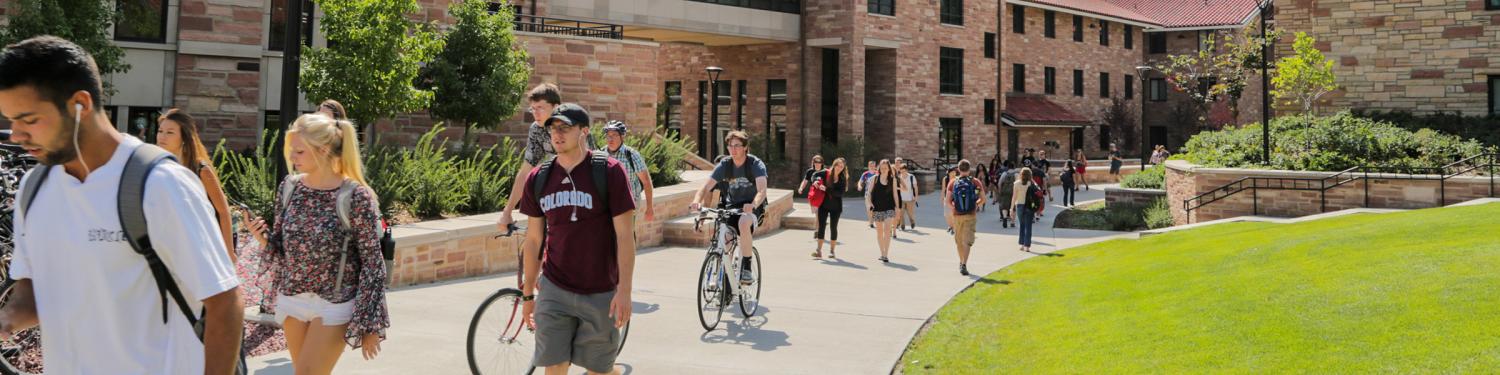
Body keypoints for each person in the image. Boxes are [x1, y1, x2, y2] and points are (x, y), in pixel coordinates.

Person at [0, 36, 243, 374]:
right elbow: (33, 288)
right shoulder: (34, 187)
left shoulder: (160, 185)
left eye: (28, 119)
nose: (15, 134)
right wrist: (6, 320)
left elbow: (224, 302)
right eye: (11, 120)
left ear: (79, 104)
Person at [247, 113, 387, 373]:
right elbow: (281, 248)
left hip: (334, 303)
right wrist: (261, 237)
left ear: (322, 150)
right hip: (293, 299)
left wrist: (370, 323)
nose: (291, 158)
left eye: (299, 151)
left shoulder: (355, 196)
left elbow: (372, 262)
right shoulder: (289, 188)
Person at [513, 103, 636, 375]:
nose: (557, 134)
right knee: (554, 366)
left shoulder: (609, 172)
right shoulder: (539, 178)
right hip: (555, 289)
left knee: (598, 370)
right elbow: (533, 240)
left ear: (584, 131)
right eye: (553, 129)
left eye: (565, 128)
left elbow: (625, 236)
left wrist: (624, 289)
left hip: (600, 290)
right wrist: (528, 294)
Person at [496, 83, 597, 233]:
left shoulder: (574, 126)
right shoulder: (537, 129)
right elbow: (525, 171)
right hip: (558, 188)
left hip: (585, 189)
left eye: (540, 108)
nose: (536, 113)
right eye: (533, 109)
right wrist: (507, 212)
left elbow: (584, 166)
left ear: (555, 107)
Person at [157, 109, 236, 262]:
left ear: (184, 137)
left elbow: (223, 211)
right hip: (168, 247)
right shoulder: (158, 167)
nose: (162, 136)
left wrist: (229, 252)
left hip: (200, 247)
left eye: (170, 132)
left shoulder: (201, 170)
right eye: (160, 131)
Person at [690, 130, 768, 285]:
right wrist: (697, 201)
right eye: (730, 146)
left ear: (745, 147)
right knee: (726, 240)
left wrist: (752, 204)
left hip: (753, 207)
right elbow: (706, 188)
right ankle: (726, 281)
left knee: (744, 223)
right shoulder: (725, 165)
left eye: (737, 145)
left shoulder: (755, 164)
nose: (733, 149)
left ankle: (746, 268)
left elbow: (762, 190)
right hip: (732, 206)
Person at [603, 120, 656, 223]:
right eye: (608, 135)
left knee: (627, 237)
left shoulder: (632, 155)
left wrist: (649, 208)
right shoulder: (601, 155)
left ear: (622, 136)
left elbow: (646, 182)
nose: (610, 139)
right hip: (608, 205)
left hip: (629, 205)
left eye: (614, 135)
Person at [947, 160, 984, 276]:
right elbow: (983, 199)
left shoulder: (953, 182)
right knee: (967, 241)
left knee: (959, 241)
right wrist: (976, 205)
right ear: (969, 169)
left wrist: (954, 207)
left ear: (958, 169)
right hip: (970, 215)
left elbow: (947, 201)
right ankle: (964, 264)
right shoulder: (975, 182)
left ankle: (961, 261)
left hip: (957, 216)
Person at [865, 159, 901, 263]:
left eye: (886, 167)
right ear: (879, 168)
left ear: (889, 168)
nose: (884, 169)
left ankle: (885, 254)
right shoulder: (874, 179)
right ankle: (882, 252)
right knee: (880, 232)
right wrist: (870, 203)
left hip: (889, 208)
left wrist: (898, 208)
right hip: (877, 208)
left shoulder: (892, 180)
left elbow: (895, 194)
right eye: (882, 167)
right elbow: (869, 193)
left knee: (887, 230)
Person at [813, 158, 849, 259]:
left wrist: (827, 189)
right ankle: (818, 251)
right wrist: (815, 181)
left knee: (833, 228)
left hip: (836, 207)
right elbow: (815, 175)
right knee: (821, 227)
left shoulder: (842, 178)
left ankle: (832, 251)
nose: (839, 168)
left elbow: (840, 193)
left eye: (842, 167)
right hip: (823, 205)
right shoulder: (826, 172)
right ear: (834, 165)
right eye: (838, 165)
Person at [1012, 167, 1038, 252]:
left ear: (1021, 174)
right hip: (1029, 206)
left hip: (1019, 205)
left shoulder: (1016, 183)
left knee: (1022, 225)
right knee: (1028, 226)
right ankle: (1027, 246)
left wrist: (1011, 208)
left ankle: (1022, 244)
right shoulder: (1032, 184)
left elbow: (1014, 197)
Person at [897, 164, 919, 231]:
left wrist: (916, 196)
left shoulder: (911, 177)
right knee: (901, 213)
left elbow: (915, 187)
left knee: (910, 213)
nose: (903, 172)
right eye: (901, 171)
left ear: (906, 170)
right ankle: (902, 225)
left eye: (904, 171)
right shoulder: (898, 178)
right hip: (901, 198)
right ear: (900, 171)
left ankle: (912, 221)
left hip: (910, 198)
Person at [856, 160, 877, 229]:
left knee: (874, 209)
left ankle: (872, 221)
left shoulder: (878, 174)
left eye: (873, 166)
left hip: (876, 194)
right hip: (868, 194)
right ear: (868, 166)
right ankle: (870, 222)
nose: (872, 167)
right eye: (870, 166)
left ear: (875, 166)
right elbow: (860, 181)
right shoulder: (865, 174)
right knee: (869, 209)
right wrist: (859, 186)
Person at [997, 160, 1017, 227]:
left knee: (1004, 206)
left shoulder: (1004, 173)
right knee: (1013, 207)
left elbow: (999, 183)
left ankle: (1005, 218)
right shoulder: (1016, 174)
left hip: (1005, 191)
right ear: (1014, 167)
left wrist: (1000, 191)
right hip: (1013, 192)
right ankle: (1012, 222)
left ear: (1008, 167)